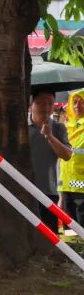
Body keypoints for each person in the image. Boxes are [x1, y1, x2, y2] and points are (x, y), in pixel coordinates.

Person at [28, 90, 71, 233]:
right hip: (23, 190)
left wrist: (50, 137)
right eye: (40, 103)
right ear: (31, 105)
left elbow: (67, 155)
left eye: (50, 103)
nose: (45, 107)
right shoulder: (21, 127)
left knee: (48, 236)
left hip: (48, 192)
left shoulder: (58, 128)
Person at [59, 89, 84, 226]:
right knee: (69, 226)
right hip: (67, 184)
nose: (77, 106)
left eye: (82, 102)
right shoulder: (67, 127)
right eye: (74, 102)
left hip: (81, 184)